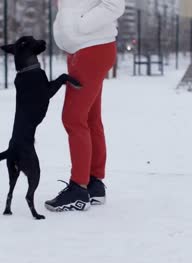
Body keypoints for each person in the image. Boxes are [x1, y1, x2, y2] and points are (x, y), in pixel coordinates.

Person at [45, 0, 125, 212]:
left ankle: (78, 189)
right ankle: (93, 183)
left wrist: (80, 25)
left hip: (92, 47)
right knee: (89, 118)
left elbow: (114, 5)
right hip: (83, 47)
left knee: (73, 118)